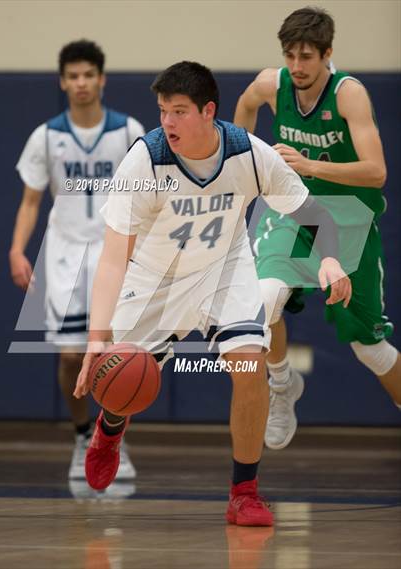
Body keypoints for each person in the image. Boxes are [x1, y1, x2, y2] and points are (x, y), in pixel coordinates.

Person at [73, 61, 351, 526]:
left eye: (179, 111)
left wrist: (329, 258)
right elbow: (112, 257)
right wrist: (96, 336)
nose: (167, 122)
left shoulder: (249, 153)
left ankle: (244, 491)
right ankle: (110, 428)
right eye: (162, 111)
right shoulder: (145, 160)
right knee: (121, 381)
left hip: (226, 270)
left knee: (249, 365)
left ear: (209, 112)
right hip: (156, 278)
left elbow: (312, 211)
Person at [234, 6, 401, 450]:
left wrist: (308, 163)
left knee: (371, 349)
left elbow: (377, 171)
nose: (296, 66)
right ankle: (283, 384)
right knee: (263, 301)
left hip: (349, 220)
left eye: (306, 56)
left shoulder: (349, 95)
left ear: (327, 54)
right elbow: (246, 106)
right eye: (290, 55)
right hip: (293, 211)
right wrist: (242, 162)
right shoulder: (273, 83)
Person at [9, 39, 144, 481]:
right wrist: (16, 249)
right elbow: (31, 201)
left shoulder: (129, 132)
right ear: (62, 82)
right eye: (74, 76)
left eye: (89, 74)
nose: (82, 82)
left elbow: (150, 195)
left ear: (102, 79)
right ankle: (83, 435)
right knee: (71, 358)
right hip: (65, 255)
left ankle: (112, 441)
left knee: (117, 356)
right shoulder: (46, 136)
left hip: (115, 252)